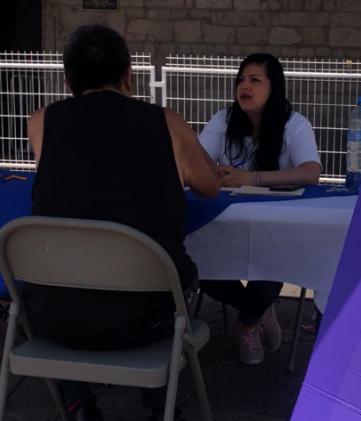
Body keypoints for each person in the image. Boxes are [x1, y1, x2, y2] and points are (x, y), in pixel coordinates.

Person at [25, 25, 219, 421]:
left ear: (68, 82)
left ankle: (78, 404)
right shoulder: (167, 122)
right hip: (149, 321)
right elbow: (209, 186)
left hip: (56, 319)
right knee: (166, 281)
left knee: (62, 278)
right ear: (129, 75)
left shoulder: (42, 122)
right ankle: (159, 405)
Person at [198, 53, 321, 365]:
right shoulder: (223, 120)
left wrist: (252, 178)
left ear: (273, 87)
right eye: (241, 80)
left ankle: (246, 323)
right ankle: (256, 311)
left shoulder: (293, 124)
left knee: (273, 266)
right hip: (225, 226)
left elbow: (311, 172)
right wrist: (212, 172)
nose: (245, 86)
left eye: (255, 80)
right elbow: (196, 163)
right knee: (197, 264)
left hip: (275, 230)